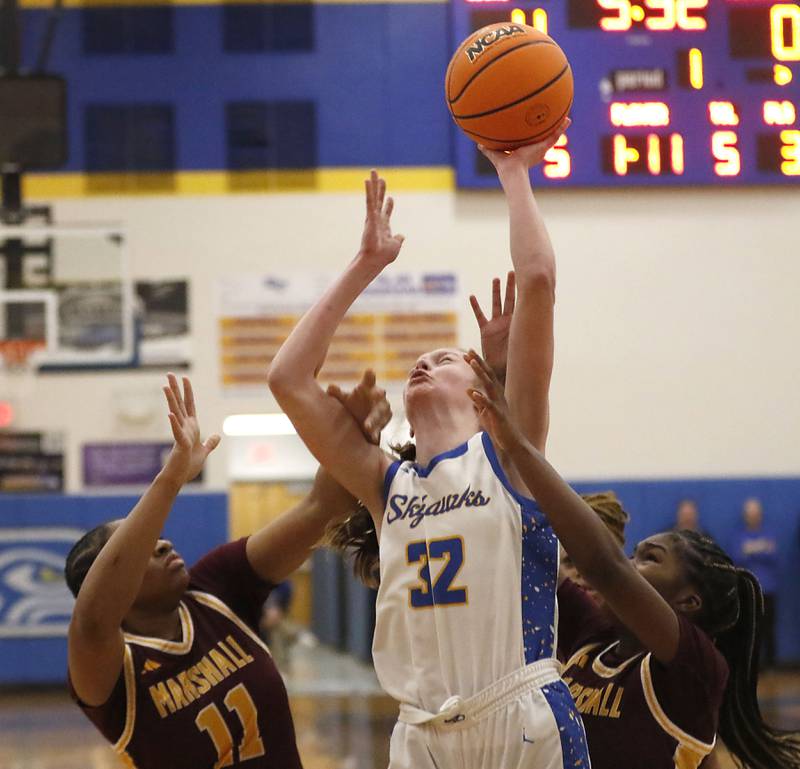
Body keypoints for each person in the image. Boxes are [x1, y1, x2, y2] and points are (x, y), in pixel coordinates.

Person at [269, 122, 590, 769]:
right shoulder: (387, 486)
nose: (422, 364)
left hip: (520, 718)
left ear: (481, 390)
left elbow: (539, 279)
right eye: (419, 359)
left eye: (444, 358)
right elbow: (287, 379)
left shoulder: (509, 449)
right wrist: (365, 265)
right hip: (420, 735)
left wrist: (513, 173)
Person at [467, 351, 800, 769]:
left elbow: (606, 567)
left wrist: (516, 441)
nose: (630, 561)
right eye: (634, 553)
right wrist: (501, 384)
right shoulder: (594, 638)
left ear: (688, 602)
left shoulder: (694, 668)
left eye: (649, 559)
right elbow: (523, 544)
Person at [65, 372, 390, 769]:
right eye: (144, 550)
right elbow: (93, 621)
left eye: (158, 538)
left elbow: (323, 506)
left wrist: (353, 432)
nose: (164, 543)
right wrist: (171, 478)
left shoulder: (215, 587)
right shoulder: (109, 669)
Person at [732, 497, 779, 669]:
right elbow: (738, 557)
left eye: (756, 514)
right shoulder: (739, 535)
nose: (753, 517)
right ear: (745, 516)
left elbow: (773, 554)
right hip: (748, 590)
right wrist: (761, 549)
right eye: (750, 514)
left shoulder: (769, 532)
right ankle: (750, 666)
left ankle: (771, 666)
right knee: (750, 629)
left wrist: (752, 550)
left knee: (769, 629)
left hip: (768, 589)